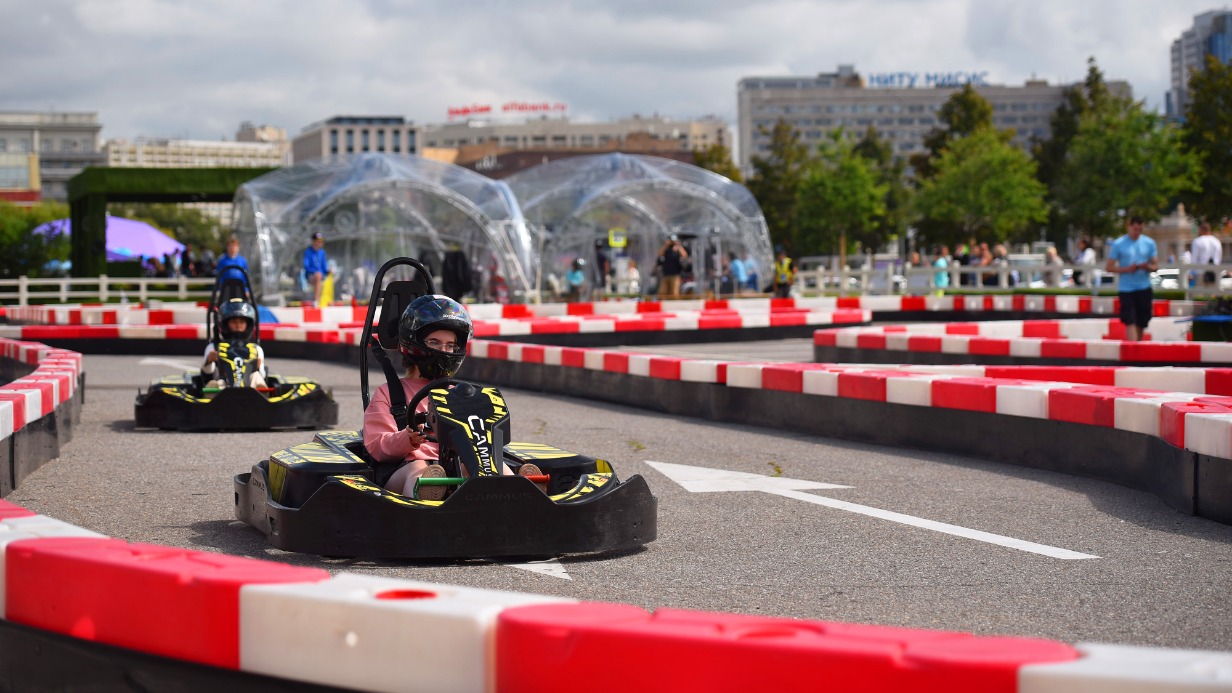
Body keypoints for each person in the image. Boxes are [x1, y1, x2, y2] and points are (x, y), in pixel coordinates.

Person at [363, 294, 540, 500]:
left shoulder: (459, 393)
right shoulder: (390, 393)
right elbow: (376, 445)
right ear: (414, 343)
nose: (444, 351)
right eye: (435, 343)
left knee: (489, 464)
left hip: (455, 466)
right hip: (404, 467)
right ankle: (425, 501)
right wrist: (406, 439)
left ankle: (520, 490)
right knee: (419, 469)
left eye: (450, 345)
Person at [1106, 216, 1158, 342]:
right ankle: (1133, 345)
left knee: (1141, 320)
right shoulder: (1119, 244)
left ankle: (1137, 345)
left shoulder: (1149, 243)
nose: (1137, 232)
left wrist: (1147, 267)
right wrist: (1127, 269)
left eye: (1140, 229)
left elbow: (1155, 266)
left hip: (1144, 286)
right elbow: (1109, 267)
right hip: (1126, 288)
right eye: (1135, 229)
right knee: (1130, 319)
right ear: (1128, 227)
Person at [202, 299, 267, 389]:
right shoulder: (214, 347)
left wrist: (258, 367)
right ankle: (214, 391)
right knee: (216, 383)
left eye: (241, 322)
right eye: (234, 322)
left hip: (250, 387)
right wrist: (209, 361)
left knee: (256, 376)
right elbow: (206, 375)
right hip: (224, 385)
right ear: (225, 324)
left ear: (248, 324)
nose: (238, 325)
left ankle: (261, 392)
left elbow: (263, 376)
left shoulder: (256, 348)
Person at [1191, 221, 1222, 289]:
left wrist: (1192, 272)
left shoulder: (1197, 241)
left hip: (1200, 272)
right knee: (1213, 293)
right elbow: (1219, 258)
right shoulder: (1217, 241)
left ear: (1201, 230)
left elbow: (1194, 259)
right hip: (1214, 272)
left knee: (1199, 294)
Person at [303, 232, 330, 306]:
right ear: (313, 241)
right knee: (318, 276)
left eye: (321, 241)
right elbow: (306, 266)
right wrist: (315, 272)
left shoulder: (322, 252)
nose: (320, 243)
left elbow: (324, 267)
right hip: (311, 276)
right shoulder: (308, 252)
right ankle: (316, 300)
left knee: (324, 276)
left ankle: (329, 299)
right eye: (319, 241)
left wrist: (328, 271)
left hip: (321, 275)